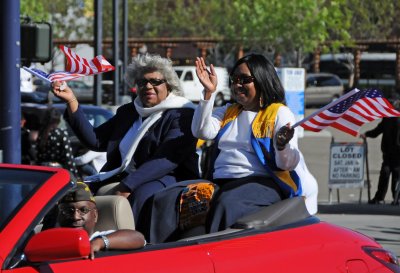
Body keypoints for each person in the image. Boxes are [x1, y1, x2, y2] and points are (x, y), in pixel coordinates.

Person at [51, 53, 200, 227]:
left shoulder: (183, 113)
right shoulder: (129, 111)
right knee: (70, 195)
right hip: (122, 176)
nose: (148, 86)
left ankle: (135, 245)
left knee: (141, 195)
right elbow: (96, 141)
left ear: (169, 85)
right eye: (142, 82)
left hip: (169, 176)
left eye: (155, 81)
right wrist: (71, 101)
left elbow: (165, 160)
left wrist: (126, 186)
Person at [192, 54, 318, 233]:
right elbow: (201, 131)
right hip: (221, 182)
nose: (237, 85)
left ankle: (216, 255)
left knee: (228, 203)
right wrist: (208, 93)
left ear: (261, 80)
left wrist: (282, 147)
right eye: (234, 79)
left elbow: (286, 164)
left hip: (261, 183)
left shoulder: (278, 113)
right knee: (176, 199)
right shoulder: (228, 111)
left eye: (244, 80)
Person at [57, 182, 146, 259]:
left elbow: (138, 238)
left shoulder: (99, 237)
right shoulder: (54, 240)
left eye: (83, 210)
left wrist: (100, 243)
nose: (75, 217)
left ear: (95, 215)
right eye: (67, 211)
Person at [361, 103, 400, 205]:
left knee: (396, 175)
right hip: (388, 153)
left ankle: (396, 198)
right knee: (385, 173)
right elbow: (378, 130)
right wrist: (367, 134)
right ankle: (379, 198)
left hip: (398, 154)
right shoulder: (387, 119)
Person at [36, 107, 79, 180]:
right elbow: (68, 157)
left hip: (41, 170)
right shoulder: (61, 134)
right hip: (56, 171)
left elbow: (37, 154)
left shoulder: (41, 133)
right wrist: (75, 176)